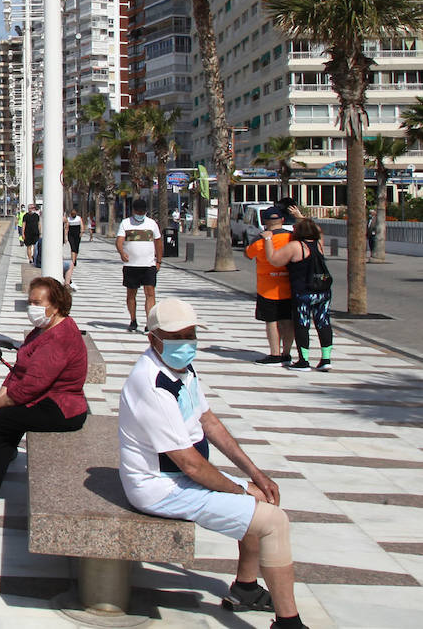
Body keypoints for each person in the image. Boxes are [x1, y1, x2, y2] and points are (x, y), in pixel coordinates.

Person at [119, 298, 307, 628]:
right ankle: (289, 623)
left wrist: (255, 474)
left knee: (255, 499)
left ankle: (245, 588)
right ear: (153, 338)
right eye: (176, 336)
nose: (185, 343)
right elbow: (190, 465)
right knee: (273, 522)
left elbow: (208, 420)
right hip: (160, 487)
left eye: (190, 334)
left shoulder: (180, 368)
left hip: (181, 476)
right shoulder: (152, 383)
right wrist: (238, 489)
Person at [0, 276, 88, 515]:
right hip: (45, 397)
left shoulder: (60, 337)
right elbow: (20, 370)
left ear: (56, 306)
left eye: (38, 303)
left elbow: (29, 388)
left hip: (62, 408)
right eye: (30, 302)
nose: (32, 308)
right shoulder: (44, 329)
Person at [266, 218, 334, 371]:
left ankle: (303, 360)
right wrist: (301, 217)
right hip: (323, 291)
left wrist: (268, 239)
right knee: (323, 323)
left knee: (302, 324)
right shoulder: (319, 244)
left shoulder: (296, 246)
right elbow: (319, 230)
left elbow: (274, 260)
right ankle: (326, 358)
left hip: (304, 292)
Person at [245, 206, 295, 366]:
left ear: (266, 222)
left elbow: (248, 254)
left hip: (267, 289)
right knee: (288, 321)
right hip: (289, 287)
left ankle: (275, 354)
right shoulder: (292, 238)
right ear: (282, 220)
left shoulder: (260, 240)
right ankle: (287, 354)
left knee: (272, 322)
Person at [116, 197, 163, 332]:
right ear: (133, 210)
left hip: (148, 265)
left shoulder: (152, 224)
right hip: (131, 266)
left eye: (143, 212)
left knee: (150, 294)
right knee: (131, 295)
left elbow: (158, 243)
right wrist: (122, 252)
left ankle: (149, 322)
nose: (140, 214)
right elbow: (119, 241)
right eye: (138, 211)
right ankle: (133, 320)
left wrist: (159, 261)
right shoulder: (126, 223)